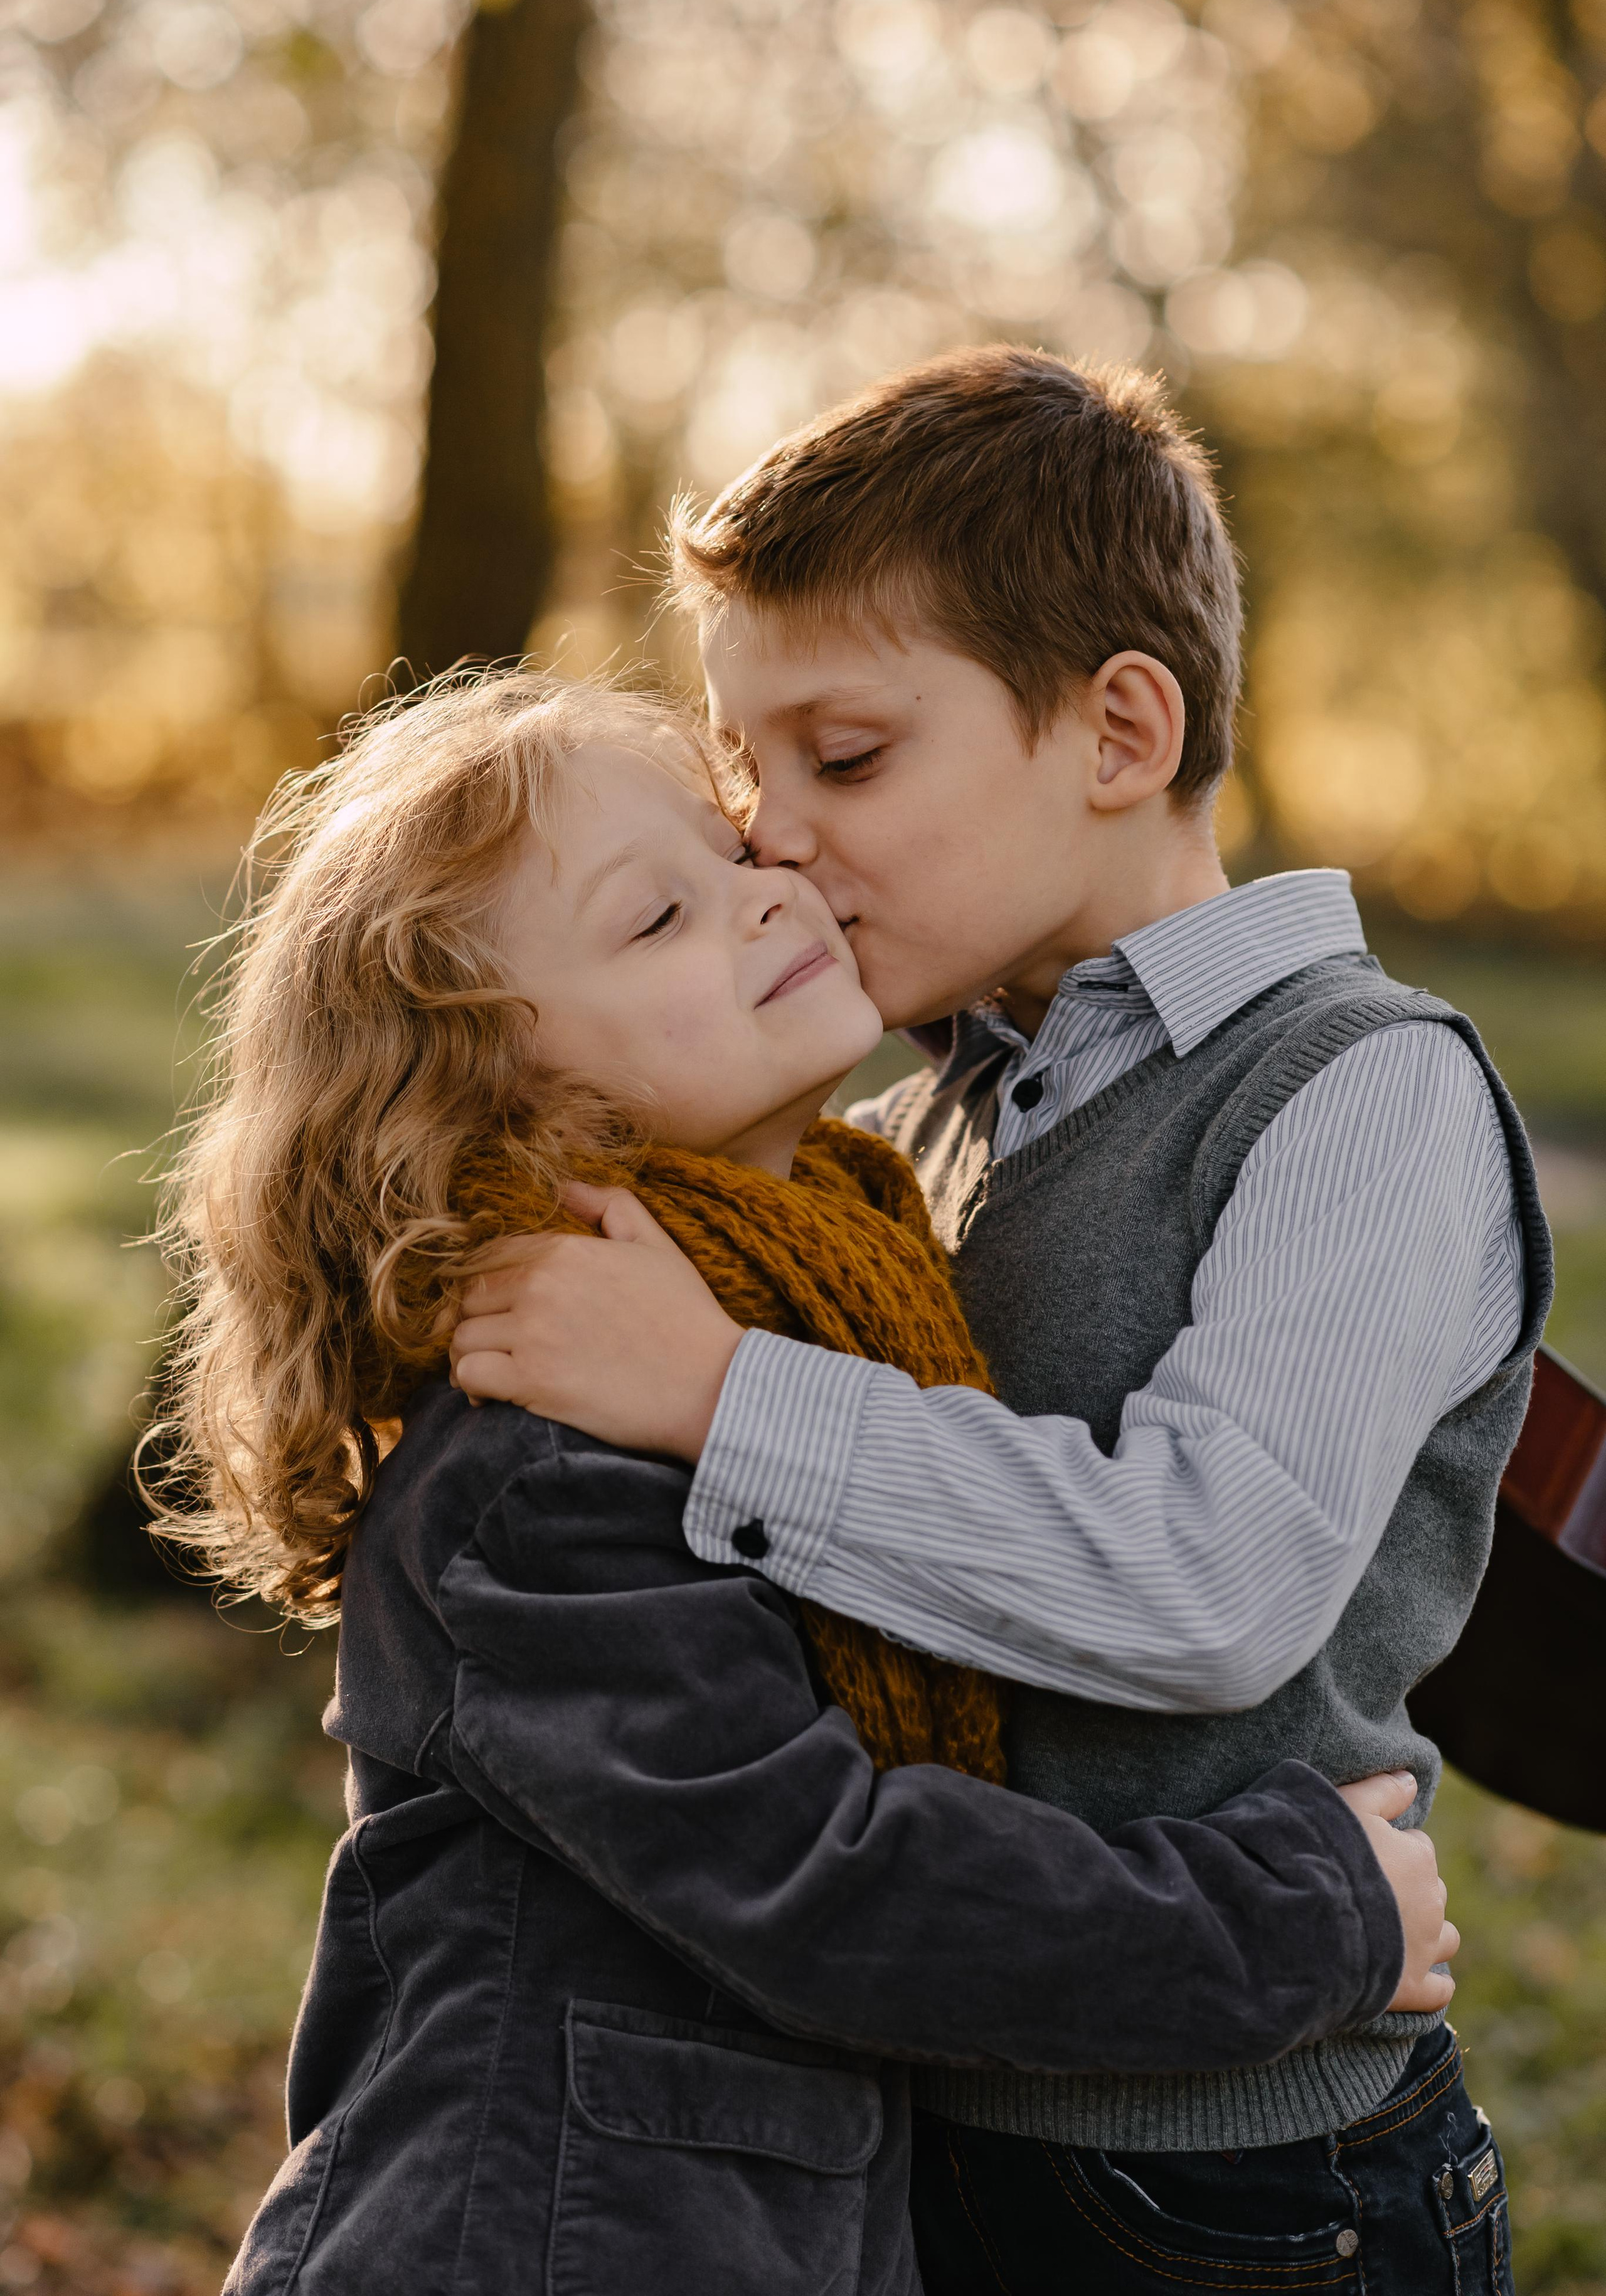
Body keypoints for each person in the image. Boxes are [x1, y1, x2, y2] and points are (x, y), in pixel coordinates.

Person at [449, 349, 1551, 2291]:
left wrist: (722, 1393)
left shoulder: (1361, 1094)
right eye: (744, 778)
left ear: (1121, 729)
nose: (770, 837)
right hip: (902, 2135)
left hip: (1244, 2181)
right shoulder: (906, 1128)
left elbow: (1211, 1583)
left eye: (846, 759)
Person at [153, 669, 1451, 2296]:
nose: (773, 889)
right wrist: (1307, 1913)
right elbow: (837, 1886)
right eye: (657, 918)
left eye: (734, 850)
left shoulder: (828, 1293)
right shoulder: (539, 1460)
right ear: (504, 1107)